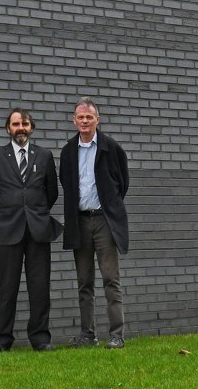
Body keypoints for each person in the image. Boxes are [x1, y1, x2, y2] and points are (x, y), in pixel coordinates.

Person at [0, 108, 61, 351]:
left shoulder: (44, 156)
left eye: (24, 123)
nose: (20, 128)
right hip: (8, 231)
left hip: (38, 230)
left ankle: (40, 338)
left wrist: (35, 213)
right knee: (7, 288)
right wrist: (4, 217)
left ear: (31, 128)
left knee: (40, 287)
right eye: (15, 124)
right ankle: (2, 340)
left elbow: (52, 193)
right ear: (8, 129)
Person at [58, 97, 130, 349]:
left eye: (89, 117)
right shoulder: (68, 151)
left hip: (104, 222)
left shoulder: (111, 147)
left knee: (111, 279)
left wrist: (109, 206)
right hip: (80, 222)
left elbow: (122, 183)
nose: (85, 121)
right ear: (74, 120)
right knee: (84, 282)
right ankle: (88, 335)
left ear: (97, 120)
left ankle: (116, 335)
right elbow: (66, 183)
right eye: (80, 117)